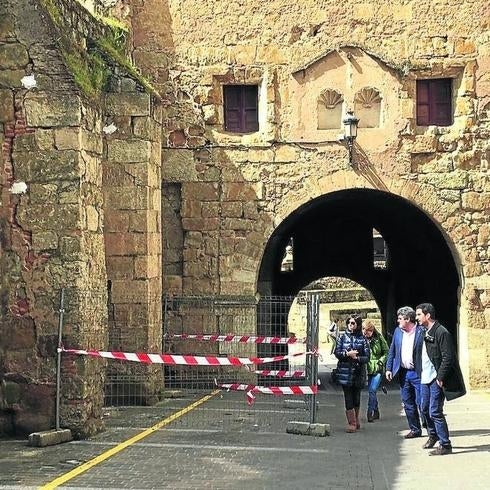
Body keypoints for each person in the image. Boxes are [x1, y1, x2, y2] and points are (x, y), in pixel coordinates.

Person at [415, 303, 466, 456]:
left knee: (435, 411)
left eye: (418, 314)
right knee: (424, 409)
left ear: (427, 315)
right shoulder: (423, 331)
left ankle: (445, 444)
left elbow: (448, 357)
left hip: (436, 379)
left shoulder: (441, 332)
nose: (416, 318)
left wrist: (441, 376)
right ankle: (433, 434)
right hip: (425, 377)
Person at [385, 306, 425, 438]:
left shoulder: (421, 331)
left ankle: (430, 429)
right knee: (407, 403)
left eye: (400, 319)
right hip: (403, 372)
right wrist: (389, 368)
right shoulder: (398, 332)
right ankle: (415, 429)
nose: (398, 321)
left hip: (418, 372)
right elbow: (392, 350)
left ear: (408, 319)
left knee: (422, 403)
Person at [334, 315, 370, 433]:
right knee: (348, 397)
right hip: (345, 371)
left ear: (358, 324)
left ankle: (356, 418)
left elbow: (367, 357)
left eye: (353, 323)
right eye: (349, 322)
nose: (351, 324)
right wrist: (347, 354)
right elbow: (337, 352)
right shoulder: (342, 338)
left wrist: (357, 358)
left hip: (358, 372)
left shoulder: (363, 339)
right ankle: (352, 422)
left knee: (357, 397)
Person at [362, 320, 389, 422]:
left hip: (377, 368)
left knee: (372, 390)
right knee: (372, 392)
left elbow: (386, 352)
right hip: (367, 368)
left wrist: (381, 361)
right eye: (364, 330)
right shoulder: (362, 339)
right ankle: (376, 410)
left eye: (368, 331)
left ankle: (370, 412)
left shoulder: (379, 338)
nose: (366, 333)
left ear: (372, 330)